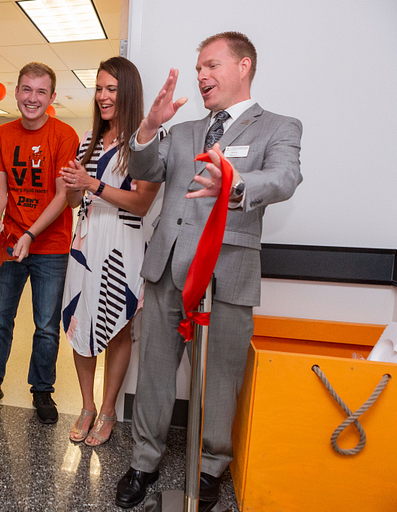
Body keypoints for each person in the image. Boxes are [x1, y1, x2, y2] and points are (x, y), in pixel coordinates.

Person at [114, 32, 303, 510]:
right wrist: (145, 130)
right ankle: (143, 462)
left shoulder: (278, 126)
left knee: (220, 378)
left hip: (228, 274)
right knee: (154, 372)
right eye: (198, 67)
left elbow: (284, 177)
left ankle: (212, 467)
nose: (202, 76)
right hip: (165, 271)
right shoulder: (180, 132)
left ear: (244, 67)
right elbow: (145, 169)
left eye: (213, 66)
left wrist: (235, 183)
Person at [0, 62, 79, 424]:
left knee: (46, 324)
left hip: (51, 246)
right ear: (16, 92)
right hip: (9, 244)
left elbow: (62, 196)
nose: (32, 98)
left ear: (52, 97)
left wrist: (31, 234)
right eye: (26, 89)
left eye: (41, 91)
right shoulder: (2, 134)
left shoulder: (64, 135)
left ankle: (42, 390)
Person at [59, 57, 161, 446]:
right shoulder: (87, 140)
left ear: (128, 92)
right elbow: (72, 201)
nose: (102, 96)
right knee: (79, 321)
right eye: (99, 88)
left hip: (123, 243)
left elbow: (141, 204)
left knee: (118, 327)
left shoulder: (146, 141)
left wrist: (91, 184)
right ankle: (86, 407)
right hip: (85, 243)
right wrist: (73, 184)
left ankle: (108, 410)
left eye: (111, 89)